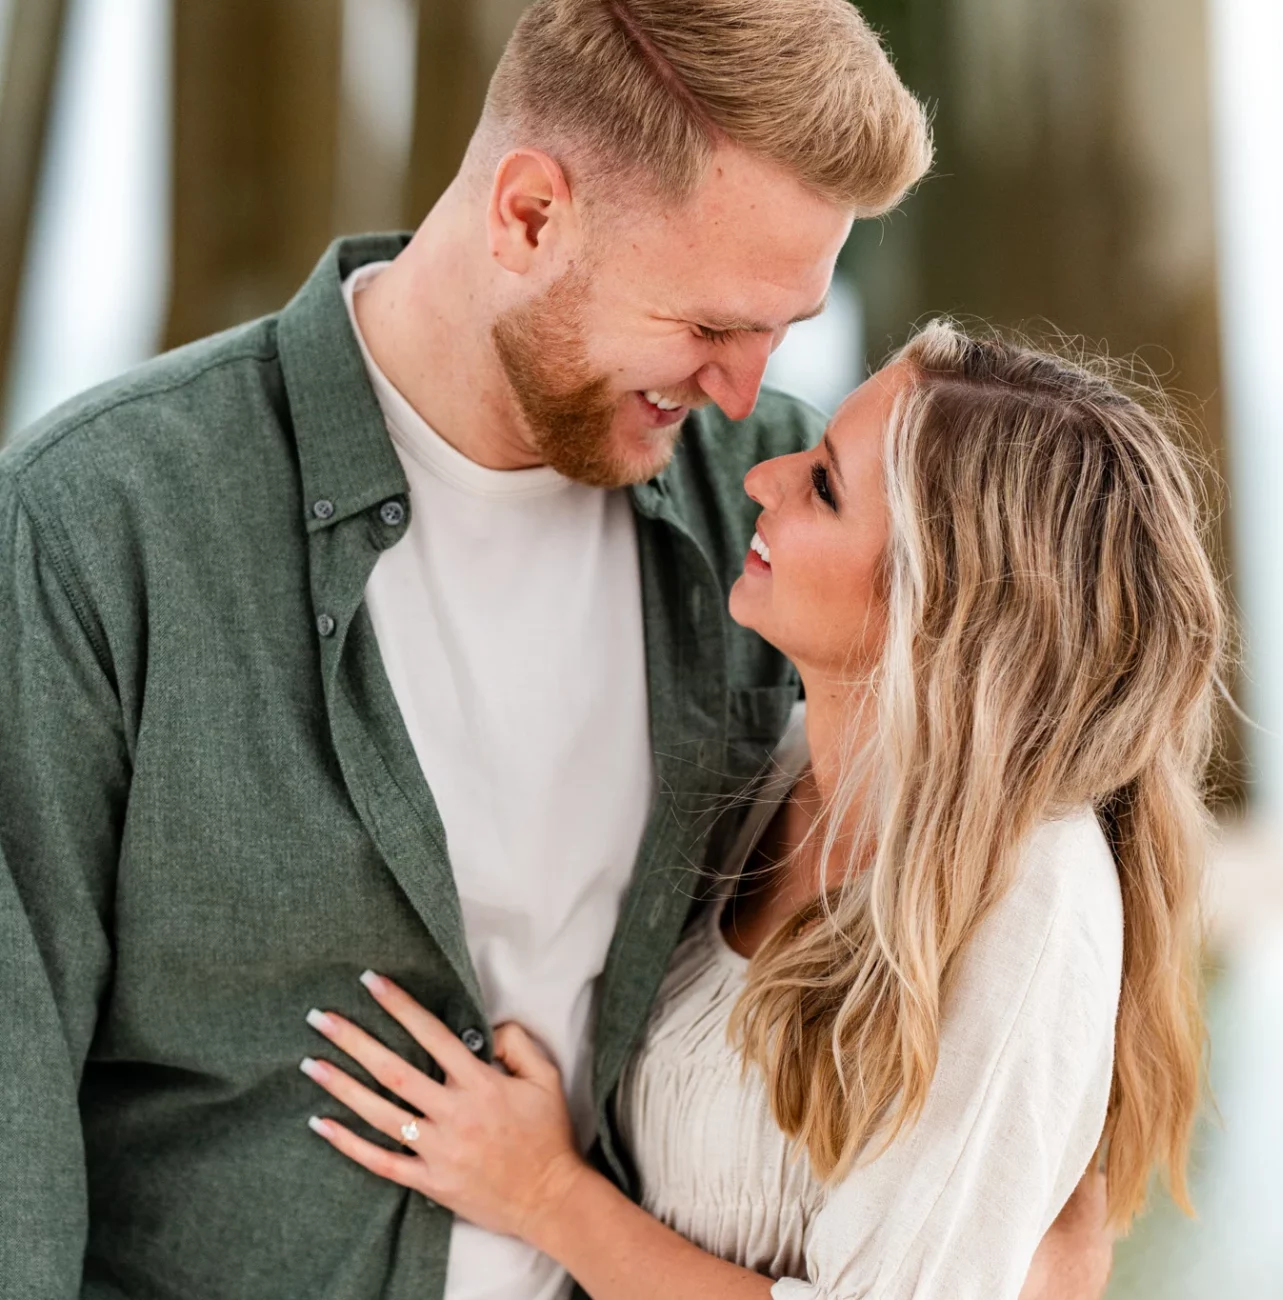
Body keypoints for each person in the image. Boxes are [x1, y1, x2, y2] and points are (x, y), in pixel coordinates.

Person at [0, 2, 1102, 1297]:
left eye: (784, 328)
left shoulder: (785, 516)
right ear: (529, 216)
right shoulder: (93, 527)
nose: (744, 393)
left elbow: (1035, 912)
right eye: (708, 327)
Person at [297, 321, 1224, 1298]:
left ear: (937, 604)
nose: (760, 478)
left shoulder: (1028, 897)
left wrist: (544, 1194)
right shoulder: (778, 770)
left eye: (823, 485)